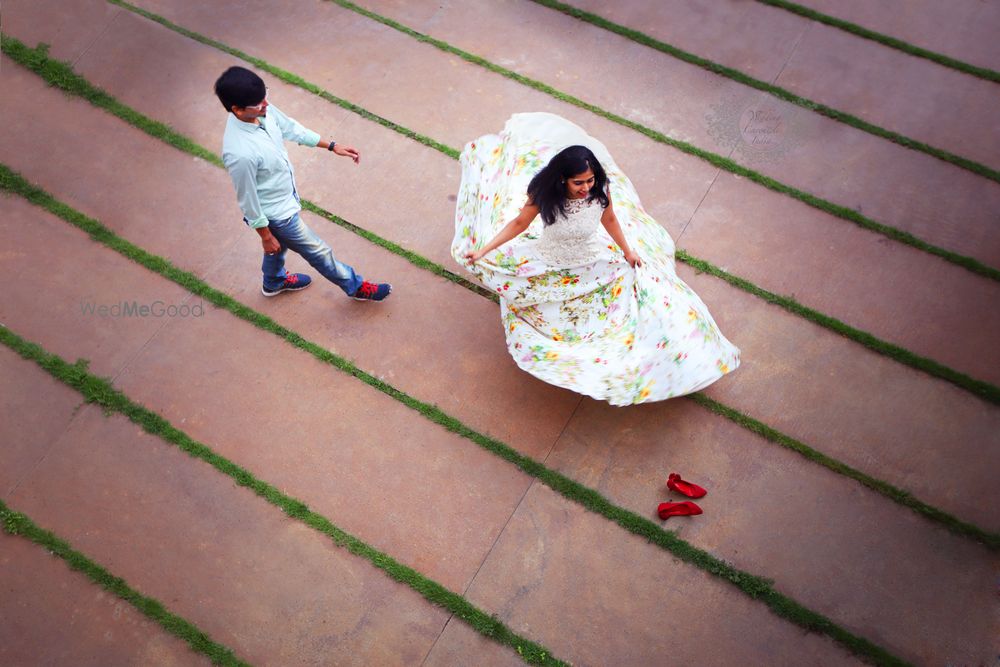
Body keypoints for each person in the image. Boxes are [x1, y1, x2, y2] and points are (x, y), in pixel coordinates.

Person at [453, 112, 739, 406]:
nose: (586, 187)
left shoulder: (600, 190)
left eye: (590, 180)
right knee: (549, 320)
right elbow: (519, 225)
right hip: (550, 259)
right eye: (579, 182)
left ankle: (672, 360)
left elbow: (611, 219)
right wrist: (484, 251)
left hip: (590, 258)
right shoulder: (544, 195)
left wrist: (628, 251)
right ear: (562, 180)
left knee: (647, 296)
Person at [215, 66, 391, 301]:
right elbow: (247, 199)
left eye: (265, 96)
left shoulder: (259, 109)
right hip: (278, 215)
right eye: (258, 104)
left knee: (279, 247)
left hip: (286, 199)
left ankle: (273, 281)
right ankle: (355, 286)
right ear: (236, 109)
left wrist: (332, 145)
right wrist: (265, 235)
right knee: (319, 251)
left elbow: (291, 128)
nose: (266, 105)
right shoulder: (240, 153)